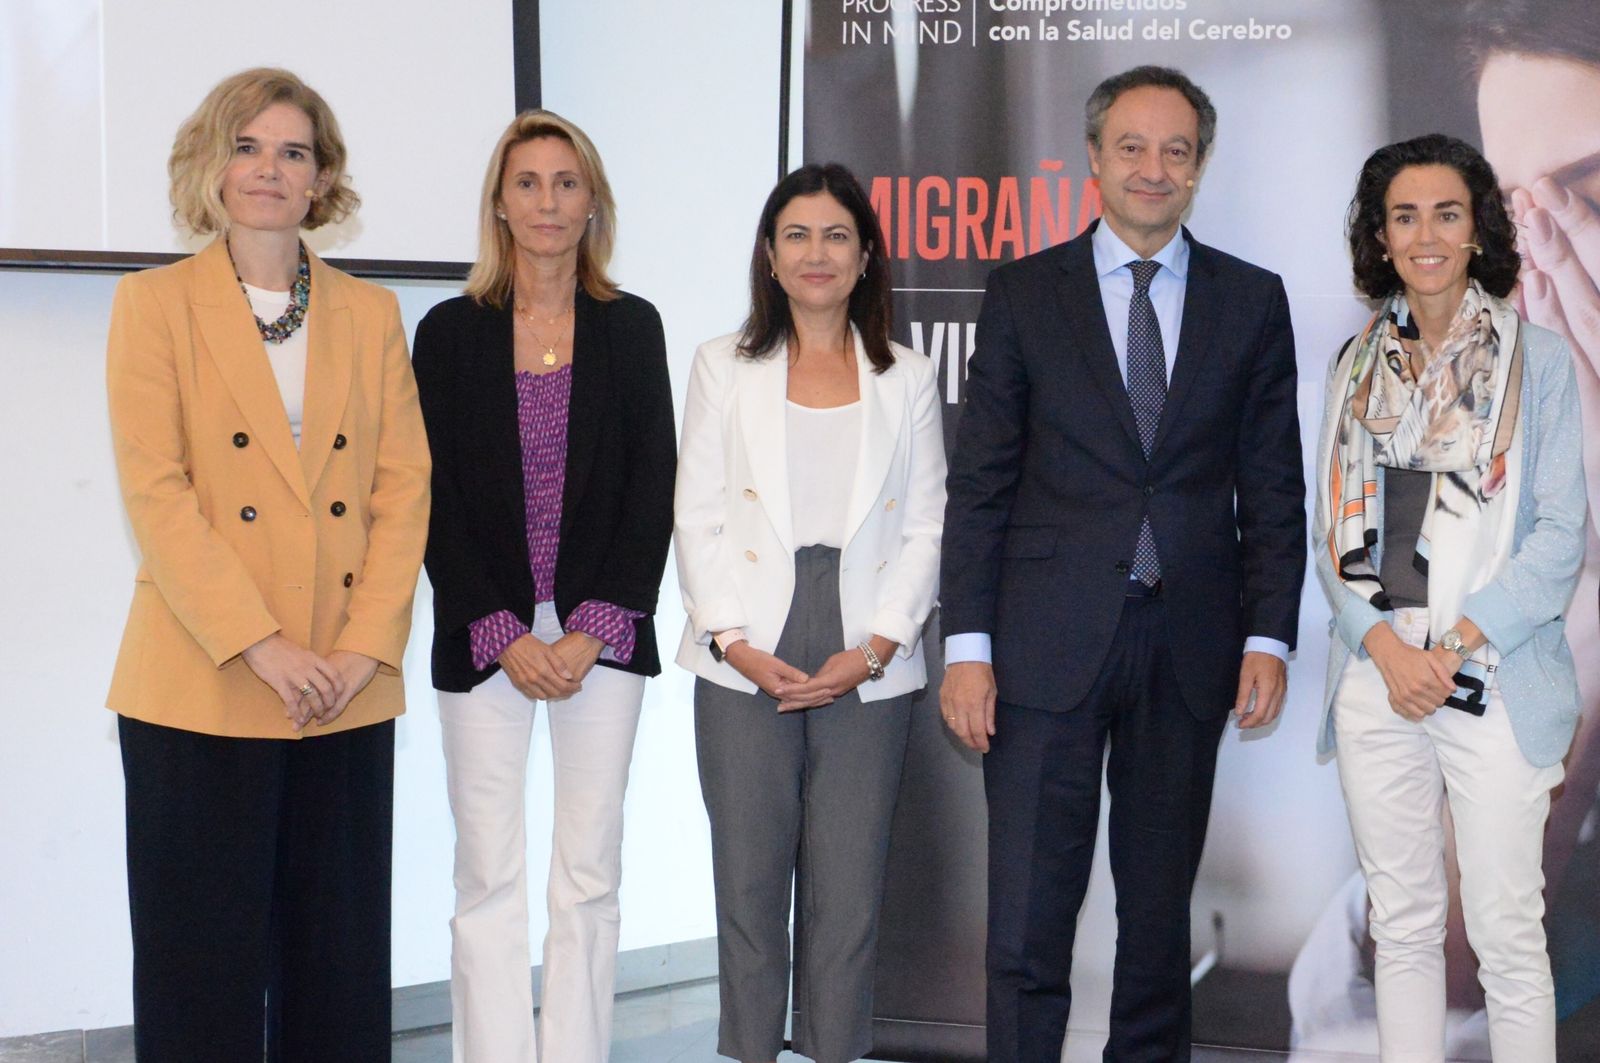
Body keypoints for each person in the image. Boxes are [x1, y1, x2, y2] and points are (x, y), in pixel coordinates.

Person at [939, 65, 1306, 1062]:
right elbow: (979, 483)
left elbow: (1273, 489)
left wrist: (1268, 632)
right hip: (1040, 647)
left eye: (1175, 150)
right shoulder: (1022, 294)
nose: (1153, 168)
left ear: (1198, 168)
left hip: (1187, 645)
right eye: (1133, 147)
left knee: (1155, 923)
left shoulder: (1251, 301)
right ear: (1093, 159)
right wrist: (966, 646)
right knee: (1026, 917)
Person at [104, 68, 431, 1062]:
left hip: (342, 683)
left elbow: (401, 491)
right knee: (199, 973)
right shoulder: (152, 305)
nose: (267, 169)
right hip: (202, 683)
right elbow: (158, 497)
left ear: (321, 179)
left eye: (293, 152)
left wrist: (362, 645)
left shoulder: (370, 314)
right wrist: (264, 645)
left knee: (335, 972)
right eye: (246, 147)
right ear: (211, 166)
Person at [1310, 133, 1587, 1063]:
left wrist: (1454, 644)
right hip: (1378, 678)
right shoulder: (1353, 364)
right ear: (1380, 238)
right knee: (1404, 924)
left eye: (1447, 212)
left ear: (1478, 230)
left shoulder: (1537, 361)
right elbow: (1331, 540)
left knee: (1507, 937)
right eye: (1403, 215)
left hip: (1495, 674)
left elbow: (1559, 540)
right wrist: (1388, 651)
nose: (1425, 233)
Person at [411, 110, 675, 1063]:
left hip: (598, 639)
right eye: (528, 182)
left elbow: (654, 488)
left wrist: (590, 629)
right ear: (499, 202)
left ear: (592, 201)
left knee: (588, 873)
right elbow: (429, 496)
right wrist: (500, 629)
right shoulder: (446, 333)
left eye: (567, 183)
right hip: (489, 640)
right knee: (486, 873)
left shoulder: (631, 326)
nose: (548, 202)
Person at [674, 162, 945, 1063]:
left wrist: (874, 647)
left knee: (847, 890)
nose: (816, 253)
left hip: (867, 647)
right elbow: (698, 512)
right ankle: (751, 1052)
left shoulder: (906, 375)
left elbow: (930, 521)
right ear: (769, 254)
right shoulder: (723, 364)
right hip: (747, 641)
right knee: (748, 886)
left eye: (836, 235)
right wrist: (735, 642)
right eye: (797, 234)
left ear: (865, 255)